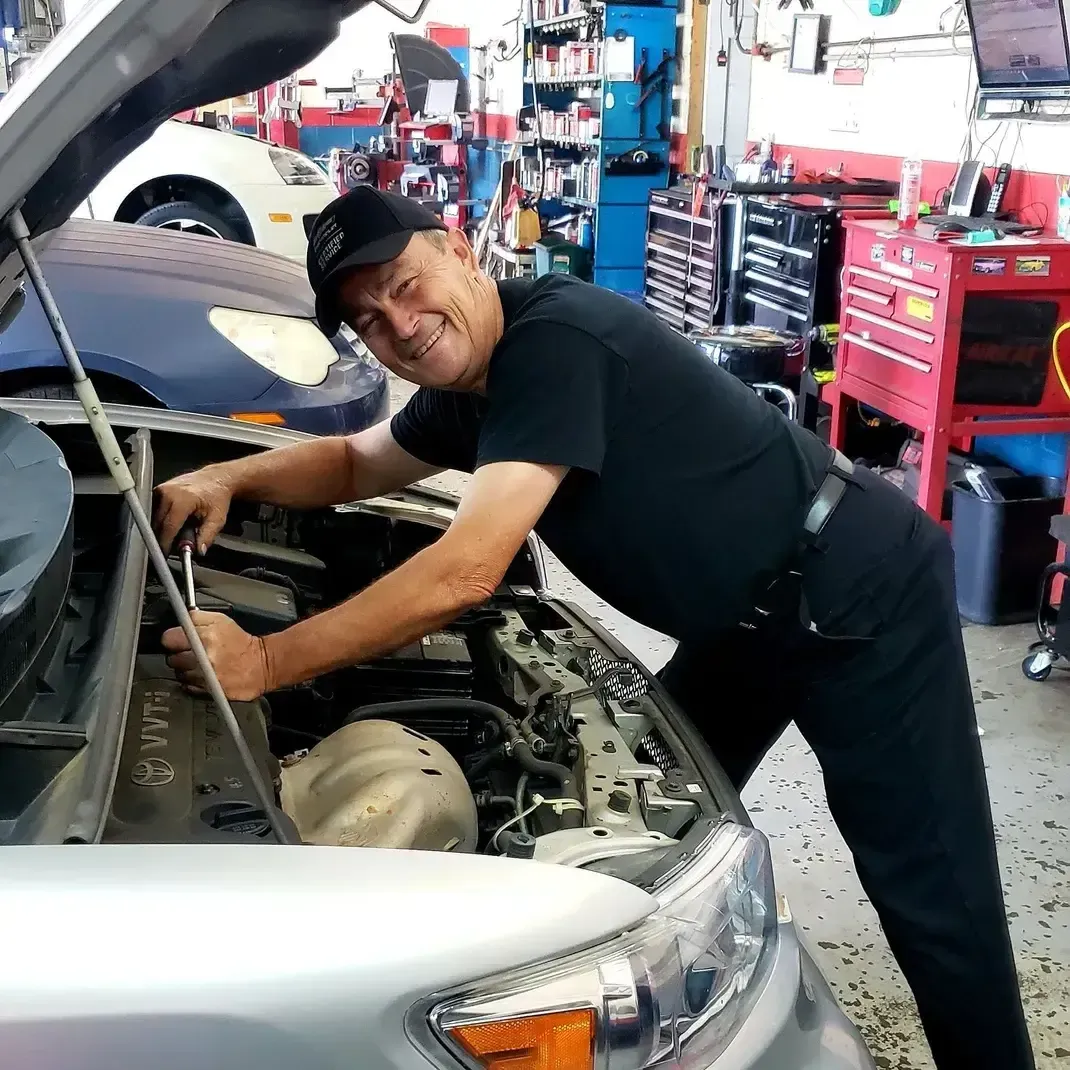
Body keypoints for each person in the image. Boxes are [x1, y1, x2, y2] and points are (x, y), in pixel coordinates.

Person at [155, 186, 1033, 1070]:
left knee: (933, 891)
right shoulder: (470, 388)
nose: (402, 325)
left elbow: (467, 570)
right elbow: (354, 461)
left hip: (858, 588)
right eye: (370, 320)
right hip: (741, 621)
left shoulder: (555, 340)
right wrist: (229, 477)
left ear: (459, 249)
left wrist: (266, 659)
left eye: (404, 284)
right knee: (643, 837)